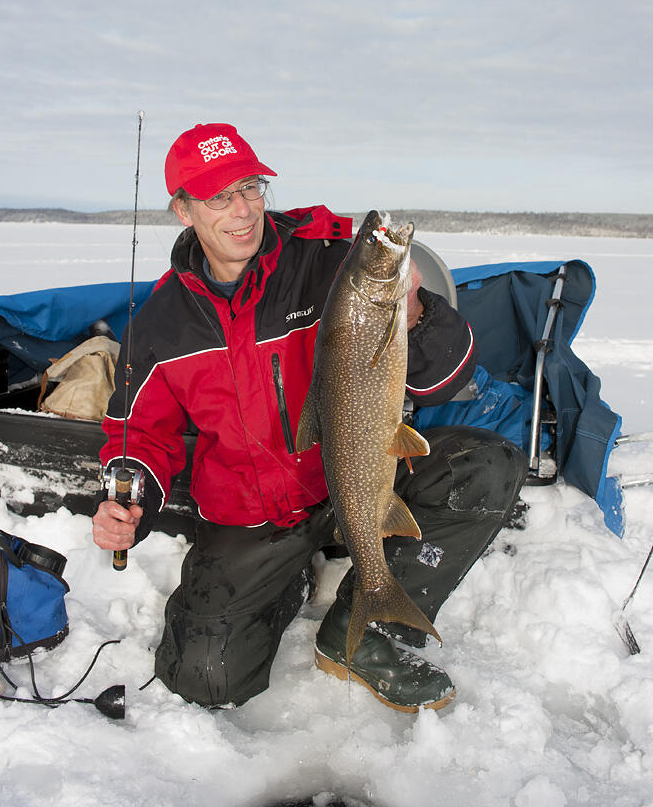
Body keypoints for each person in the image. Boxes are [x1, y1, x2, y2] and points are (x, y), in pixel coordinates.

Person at [93, 122, 528, 713]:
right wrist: (131, 496)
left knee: (485, 463)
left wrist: (417, 312)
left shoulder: (330, 266)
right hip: (256, 514)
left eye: (251, 188)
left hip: (351, 476)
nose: (242, 211)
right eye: (220, 197)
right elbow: (140, 431)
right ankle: (288, 578)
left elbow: (442, 380)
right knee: (205, 682)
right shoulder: (162, 321)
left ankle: (368, 631)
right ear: (182, 210)